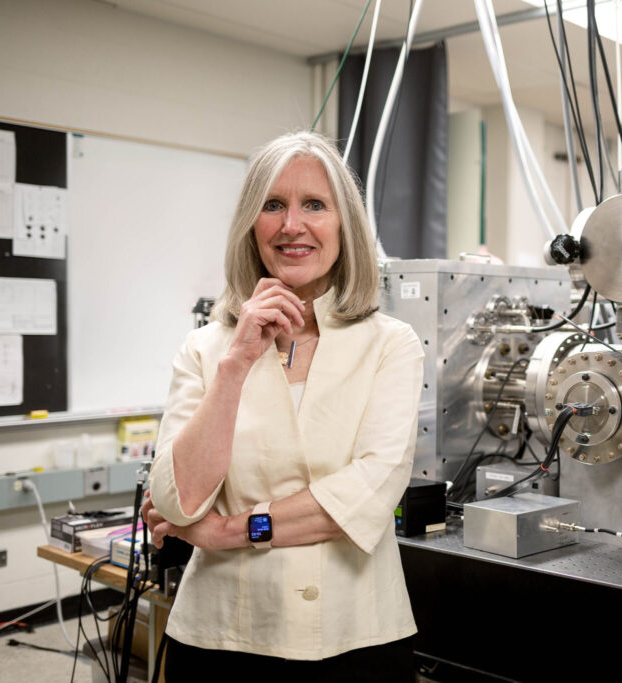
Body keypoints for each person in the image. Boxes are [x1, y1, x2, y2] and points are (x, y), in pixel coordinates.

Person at [143, 131, 424, 680]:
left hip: (355, 633)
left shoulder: (391, 343)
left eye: (314, 205)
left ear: (345, 225)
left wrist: (228, 532)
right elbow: (177, 502)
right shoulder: (206, 349)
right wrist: (236, 361)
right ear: (252, 224)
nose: (292, 225)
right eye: (273, 204)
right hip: (222, 635)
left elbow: (370, 490)